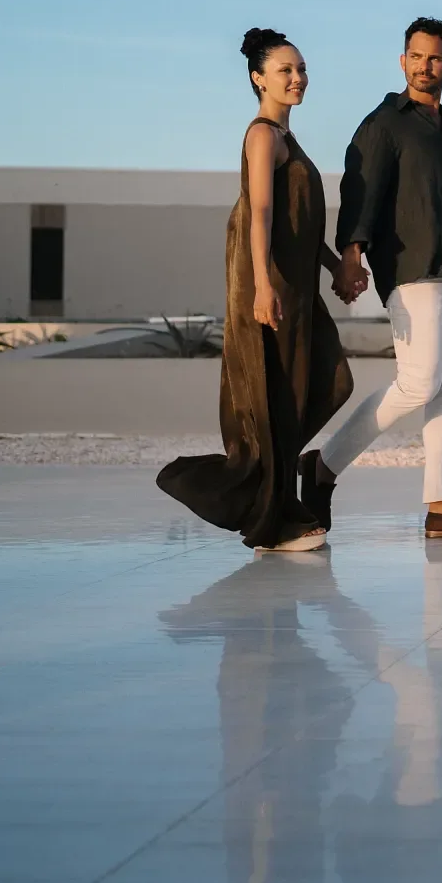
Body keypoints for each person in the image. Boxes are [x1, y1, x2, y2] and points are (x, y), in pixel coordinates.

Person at [304, 16, 442, 539]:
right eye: (416, 56)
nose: (424, 66)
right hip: (412, 273)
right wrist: (352, 253)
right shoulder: (384, 124)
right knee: (418, 383)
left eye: (434, 58)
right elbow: (360, 191)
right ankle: (323, 465)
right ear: (402, 61)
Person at [157, 28, 355, 552]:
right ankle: (273, 520)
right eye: (285, 70)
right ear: (258, 78)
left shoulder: (289, 138)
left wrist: (335, 266)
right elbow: (260, 214)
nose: (297, 77)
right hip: (272, 287)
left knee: (329, 384)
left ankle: (270, 488)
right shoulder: (263, 136)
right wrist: (263, 287)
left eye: (301, 68)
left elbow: (299, 222)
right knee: (275, 401)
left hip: (298, 287)